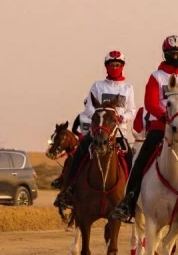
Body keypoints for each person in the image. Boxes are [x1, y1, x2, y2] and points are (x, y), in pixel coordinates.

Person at [109, 36, 178, 238]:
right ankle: (129, 201)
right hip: (160, 126)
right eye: (171, 54)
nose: (175, 57)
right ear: (165, 54)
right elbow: (150, 101)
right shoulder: (156, 77)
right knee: (141, 158)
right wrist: (165, 117)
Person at [54, 51, 136, 207]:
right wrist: (100, 116)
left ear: (122, 67)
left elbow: (132, 110)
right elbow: (89, 108)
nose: (115, 67)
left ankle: (131, 198)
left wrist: (121, 118)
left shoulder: (128, 88)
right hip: (97, 133)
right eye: (112, 65)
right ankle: (67, 191)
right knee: (78, 156)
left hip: (118, 134)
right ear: (106, 66)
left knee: (131, 161)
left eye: (118, 65)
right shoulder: (97, 86)